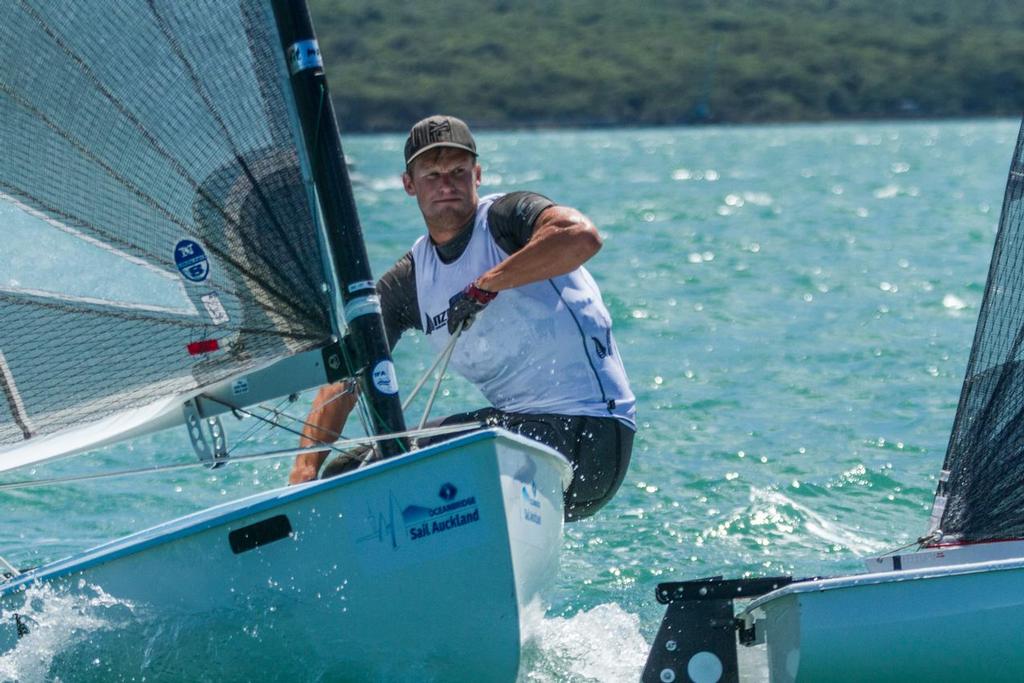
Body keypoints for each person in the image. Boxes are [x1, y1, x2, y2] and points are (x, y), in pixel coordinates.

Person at [289, 115, 635, 520]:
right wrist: (303, 471)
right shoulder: (412, 279)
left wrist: (488, 284)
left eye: (458, 171)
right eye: (431, 174)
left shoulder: (508, 220)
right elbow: (347, 372)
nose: (446, 184)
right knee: (351, 469)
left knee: (401, 469)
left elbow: (581, 237)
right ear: (409, 184)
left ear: (478, 175)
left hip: (591, 434)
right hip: (517, 439)